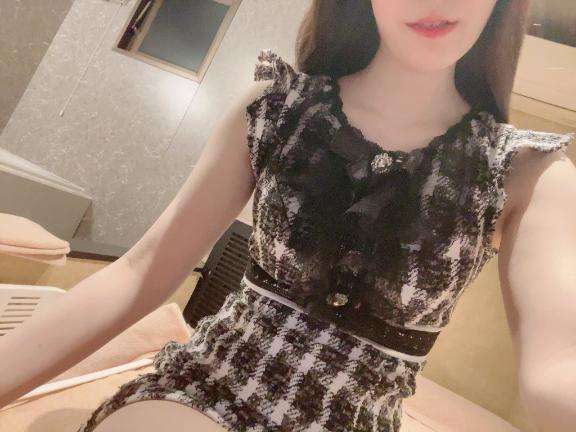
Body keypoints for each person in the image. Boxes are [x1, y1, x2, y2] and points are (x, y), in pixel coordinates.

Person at [1, 1, 575, 431]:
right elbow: (139, 273)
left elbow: (559, 366)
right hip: (206, 394)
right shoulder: (276, 108)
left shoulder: (529, 172)